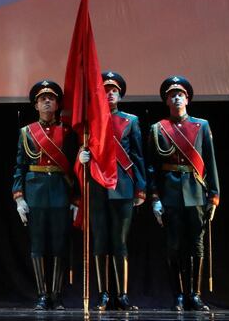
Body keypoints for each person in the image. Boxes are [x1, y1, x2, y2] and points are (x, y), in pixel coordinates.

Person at [147, 76, 220, 312]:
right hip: (170, 192)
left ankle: (195, 295)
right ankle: (178, 295)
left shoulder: (202, 125)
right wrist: (155, 198)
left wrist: (214, 196)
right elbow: (152, 167)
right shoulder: (158, 129)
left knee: (196, 246)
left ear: (187, 99)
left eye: (180, 94)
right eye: (172, 94)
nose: (176, 97)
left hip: (196, 191)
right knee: (174, 246)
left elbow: (210, 162)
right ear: (166, 100)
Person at [78, 71, 146, 310]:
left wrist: (141, 189)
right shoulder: (91, 122)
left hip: (123, 186)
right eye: (105, 90)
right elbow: (82, 151)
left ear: (120, 95)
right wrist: (81, 156)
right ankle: (104, 295)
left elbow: (137, 156)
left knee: (120, 242)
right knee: (100, 242)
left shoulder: (131, 121)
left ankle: (122, 295)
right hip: (97, 185)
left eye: (113, 90)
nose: (109, 94)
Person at [12, 80, 79, 311]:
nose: (47, 101)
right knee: (38, 245)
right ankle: (43, 294)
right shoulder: (27, 132)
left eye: (51, 98)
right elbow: (20, 166)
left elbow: (74, 168)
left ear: (58, 104)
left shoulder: (68, 131)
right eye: (43, 99)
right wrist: (19, 197)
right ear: (36, 105)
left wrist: (76, 200)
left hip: (61, 191)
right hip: (36, 192)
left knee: (59, 245)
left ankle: (57, 295)